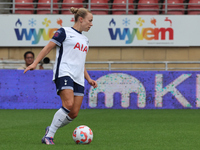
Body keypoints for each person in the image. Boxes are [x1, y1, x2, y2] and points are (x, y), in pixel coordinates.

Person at [24, 7, 97, 145]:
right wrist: (35, 63)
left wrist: (88, 79)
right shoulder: (64, 32)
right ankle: (49, 136)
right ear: (81, 19)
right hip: (64, 72)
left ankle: (50, 129)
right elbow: (47, 48)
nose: (91, 24)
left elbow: (80, 62)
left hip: (79, 77)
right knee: (68, 104)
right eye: (90, 20)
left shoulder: (85, 40)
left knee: (74, 113)